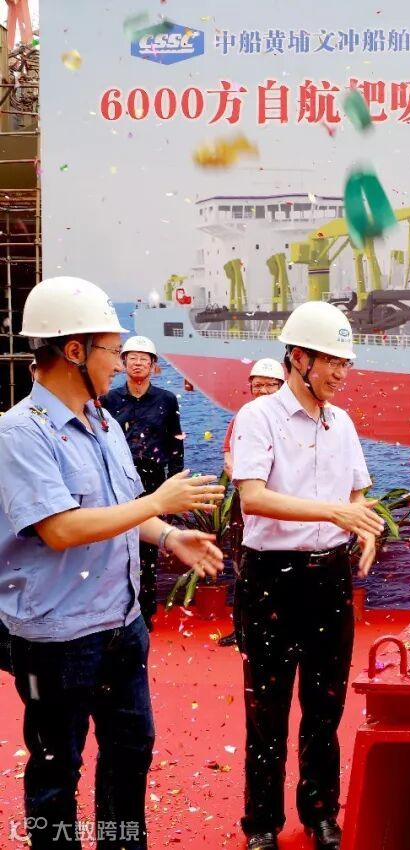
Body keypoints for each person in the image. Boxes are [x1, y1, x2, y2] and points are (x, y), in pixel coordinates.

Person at [0, 276, 225, 850]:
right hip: (57, 639)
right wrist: (157, 504)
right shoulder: (20, 433)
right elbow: (60, 529)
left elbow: (119, 509)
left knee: (129, 754)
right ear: (74, 351)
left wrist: (168, 535)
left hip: (121, 626)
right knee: (56, 770)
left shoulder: (103, 423)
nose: (121, 364)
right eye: (112, 351)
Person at [230, 301, 385, 850]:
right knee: (267, 708)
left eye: (346, 363)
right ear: (299, 358)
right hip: (271, 578)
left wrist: (364, 526)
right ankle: (262, 823)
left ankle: (320, 813)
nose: (342, 374)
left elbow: (357, 494)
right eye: (332, 362)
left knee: (326, 704)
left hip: (329, 578)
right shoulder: (259, 417)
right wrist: (335, 512)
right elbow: (252, 497)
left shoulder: (342, 423)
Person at [101, 335, 185, 629]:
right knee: (114, 544)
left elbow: (175, 445)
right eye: (132, 358)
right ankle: (114, 609)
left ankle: (145, 612)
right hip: (117, 480)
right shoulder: (108, 400)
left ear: (153, 365)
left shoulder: (166, 400)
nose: (138, 364)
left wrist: (175, 485)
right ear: (123, 363)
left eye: (144, 359)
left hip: (153, 481)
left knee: (148, 549)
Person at [218, 358, 285, 649]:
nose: (263, 390)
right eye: (258, 385)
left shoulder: (290, 419)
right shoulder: (243, 417)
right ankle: (242, 630)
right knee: (242, 564)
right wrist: (242, 476)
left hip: (282, 501)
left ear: (282, 386)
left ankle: (279, 626)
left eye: (270, 385)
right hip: (246, 499)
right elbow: (228, 455)